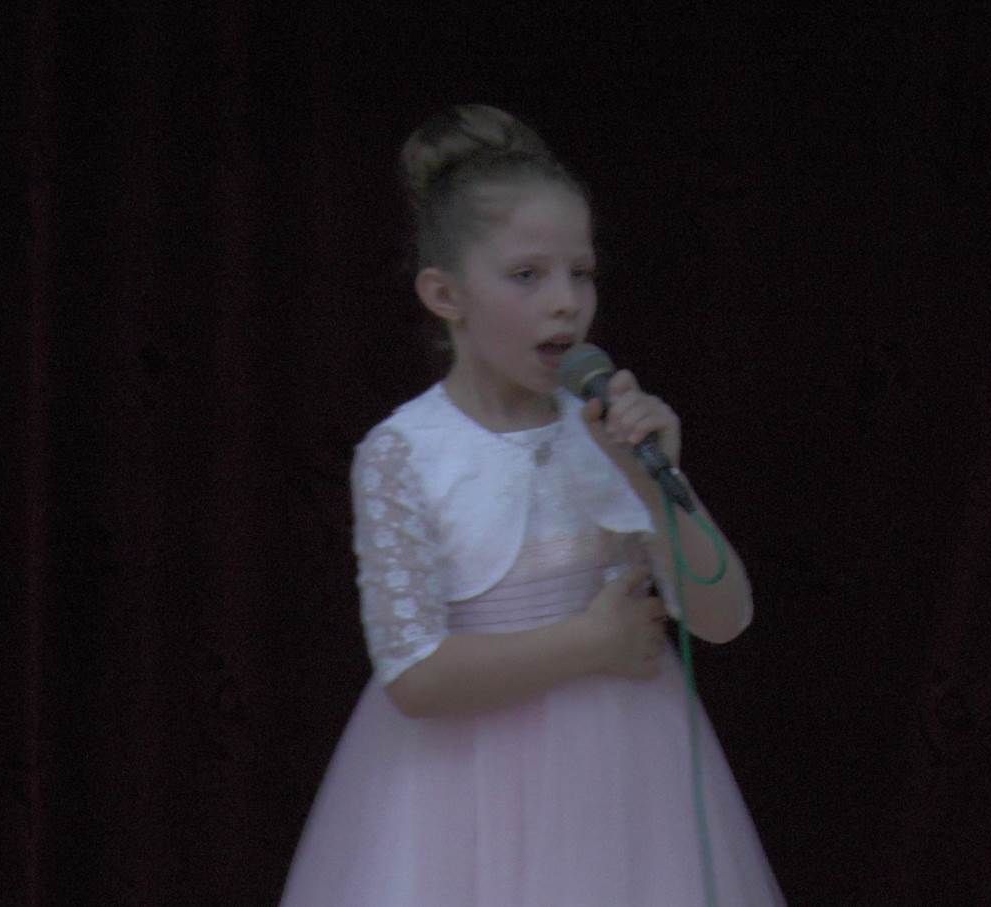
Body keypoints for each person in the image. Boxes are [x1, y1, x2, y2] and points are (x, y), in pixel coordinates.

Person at [280, 104, 783, 906]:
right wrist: (588, 643)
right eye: (527, 275)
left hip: (623, 787)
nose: (565, 303)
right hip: (455, 798)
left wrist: (653, 481)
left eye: (580, 273)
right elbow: (413, 676)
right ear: (445, 293)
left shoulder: (607, 433)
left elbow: (723, 617)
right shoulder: (406, 451)